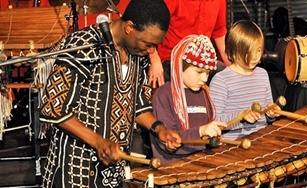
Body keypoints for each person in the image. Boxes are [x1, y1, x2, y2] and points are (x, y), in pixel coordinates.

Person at [39, 0, 182, 187]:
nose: (150, 50)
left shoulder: (138, 54)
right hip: (74, 169)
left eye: (155, 45)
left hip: (113, 173)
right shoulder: (84, 45)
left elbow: (137, 104)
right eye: (147, 43)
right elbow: (52, 108)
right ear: (129, 27)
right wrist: (98, 142)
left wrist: (159, 129)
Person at [150, 34, 228, 165]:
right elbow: (168, 143)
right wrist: (201, 132)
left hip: (202, 164)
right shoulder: (164, 95)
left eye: (207, 73)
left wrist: (212, 137)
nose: (204, 78)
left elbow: (205, 137)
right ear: (180, 67)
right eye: (199, 72)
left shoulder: (204, 92)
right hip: (173, 168)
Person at [209, 20, 280, 140]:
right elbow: (215, 121)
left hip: (261, 138)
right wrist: (241, 116)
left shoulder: (263, 74)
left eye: (258, 50)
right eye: (248, 52)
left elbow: (267, 115)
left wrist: (271, 112)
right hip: (235, 142)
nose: (255, 56)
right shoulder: (221, 80)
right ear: (234, 51)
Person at [147, 0, 230, 88]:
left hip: (203, 61)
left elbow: (219, 31)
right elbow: (152, 26)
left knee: (225, 75)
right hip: (172, 59)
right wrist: (154, 60)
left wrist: (232, 66)